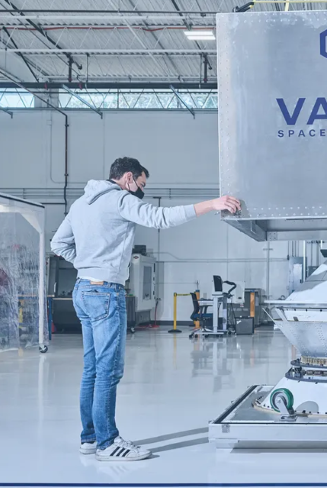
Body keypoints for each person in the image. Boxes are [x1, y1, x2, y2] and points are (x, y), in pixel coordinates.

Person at [51, 157, 241, 462]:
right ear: (128, 178)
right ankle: (107, 443)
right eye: (141, 184)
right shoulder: (119, 199)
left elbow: (58, 244)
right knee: (108, 370)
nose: (141, 191)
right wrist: (212, 204)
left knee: (92, 369)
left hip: (82, 290)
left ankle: (90, 438)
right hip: (105, 292)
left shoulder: (81, 204)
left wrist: (87, 264)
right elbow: (161, 218)